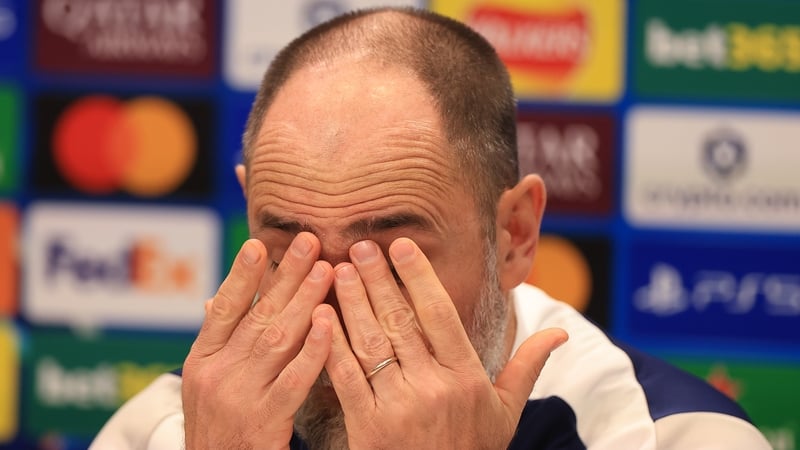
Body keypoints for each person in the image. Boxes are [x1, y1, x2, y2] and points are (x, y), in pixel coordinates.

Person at [91, 6, 771, 450]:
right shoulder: (165, 430)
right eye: (286, 252)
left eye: (390, 259)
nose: (333, 314)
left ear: (514, 235)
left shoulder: (675, 436)